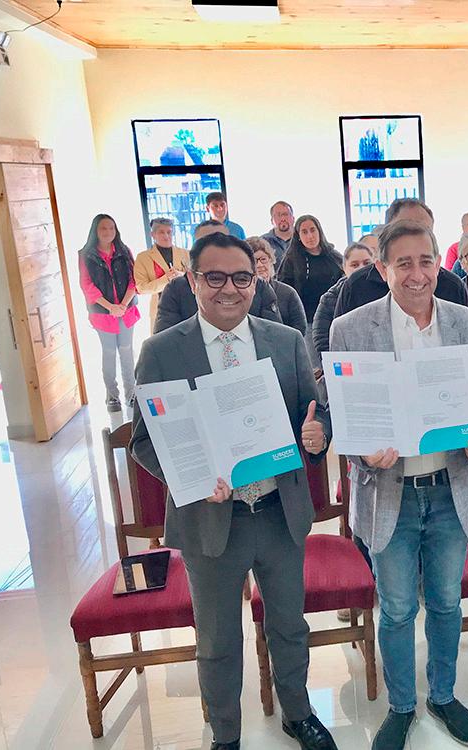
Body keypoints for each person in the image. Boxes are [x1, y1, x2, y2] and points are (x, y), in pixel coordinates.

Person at [129, 233, 337, 750]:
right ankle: (226, 734)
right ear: (193, 281)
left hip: (279, 513)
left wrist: (318, 436)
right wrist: (195, 478)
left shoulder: (285, 341)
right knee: (219, 639)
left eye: (242, 278)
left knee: (288, 625)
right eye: (215, 277)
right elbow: (143, 441)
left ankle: (298, 713)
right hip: (211, 520)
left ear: (256, 281)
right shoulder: (162, 351)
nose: (229, 289)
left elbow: (313, 417)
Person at [331, 220, 468, 750]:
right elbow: (344, 417)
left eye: (425, 261)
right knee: (398, 607)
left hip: (451, 488)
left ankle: (443, 695)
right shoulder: (351, 329)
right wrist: (362, 449)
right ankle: (402, 705)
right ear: (382, 268)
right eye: (402, 263)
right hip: (389, 492)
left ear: (438, 264)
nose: (416, 273)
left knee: (447, 602)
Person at [319, 199, 468, 356]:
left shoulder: (453, 287)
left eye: (423, 230)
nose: (417, 276)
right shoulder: (357, 286)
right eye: (404, 230)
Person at [153, 221, 282, 333]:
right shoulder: (176, 289)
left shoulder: (258, 286)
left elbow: (274, 336)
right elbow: (166, 340)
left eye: (221, 242)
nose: (229, 290)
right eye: (205, 244)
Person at [78, 214, 142, 412]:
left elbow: (134, 280)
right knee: (109, 352)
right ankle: (112, 396)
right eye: (103, 228)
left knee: (127, 351)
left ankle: (131, 394)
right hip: (102, 314)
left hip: (126, 310)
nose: (108, 232)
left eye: (111, 228)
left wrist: (122, 305)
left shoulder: (124, 251)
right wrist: (110, 307)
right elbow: (87, 284)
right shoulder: (86, 255)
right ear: (95, 231)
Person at [277, 214, 344, 326]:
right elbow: (284, 291)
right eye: (304, 232)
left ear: (319, 231)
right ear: (298, 236)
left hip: (335, 317)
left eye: (313, 230)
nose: (310, 236)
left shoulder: (334, 256)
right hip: (306, 320)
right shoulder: (291, 260)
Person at [311, 242, 375, 357]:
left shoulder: (386, 292)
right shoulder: (330, 298)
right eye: (355, 265)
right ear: (344, 268)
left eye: (367, 263)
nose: (361, 268)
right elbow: (321, 337)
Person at [133, 217, 189, 332]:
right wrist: (166, 279)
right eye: (161, 232)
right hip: (160, 308)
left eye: (169, 232)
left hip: (185, 305)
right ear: (153, 234)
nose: (166, 236)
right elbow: (141, 288)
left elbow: (196, 279)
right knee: (161, 339)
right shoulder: (143, 257)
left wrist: (181, 275)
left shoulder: (185, 253)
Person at [248, 236, 307, 335]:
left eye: (263, 259)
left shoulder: (288, 293)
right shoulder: (241, 294)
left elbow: (299, 328)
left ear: (271, 261)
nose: (259, 265)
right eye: (254, 260)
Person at [262, 200, 296, 268]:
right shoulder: (262, 243)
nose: (283, 219)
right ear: (272, 221)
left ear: (293, 218)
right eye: (278, 215)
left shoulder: (303, 240)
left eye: (286, 214)